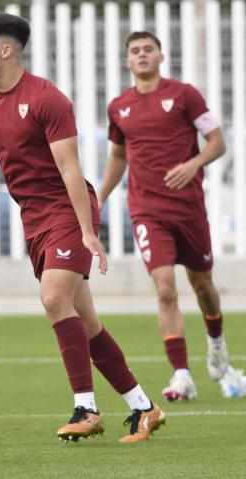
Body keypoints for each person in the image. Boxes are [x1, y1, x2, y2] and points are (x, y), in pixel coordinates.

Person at [0, 12, 165, 442]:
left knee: (53, 297)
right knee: (87, 323)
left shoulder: (47, 98)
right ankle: (143, 406)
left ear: (6, 49)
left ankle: (87, 407)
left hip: (66, 212)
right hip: (34, 221)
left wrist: (87, 231)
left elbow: (70, 169)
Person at [98, 31, 246, 401]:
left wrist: (193, 163)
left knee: (203, 289)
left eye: (148, 49)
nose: (142, 55)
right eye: (135, 51)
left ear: (161, 56)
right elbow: (118, 157)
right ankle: (181, 374)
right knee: (165, 288)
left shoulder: (185, 95)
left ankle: (217, 351)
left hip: (189, 208)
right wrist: (98, 197)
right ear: (128, 62)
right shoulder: (119, 106)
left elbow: (217, 141)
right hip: (148, 210)